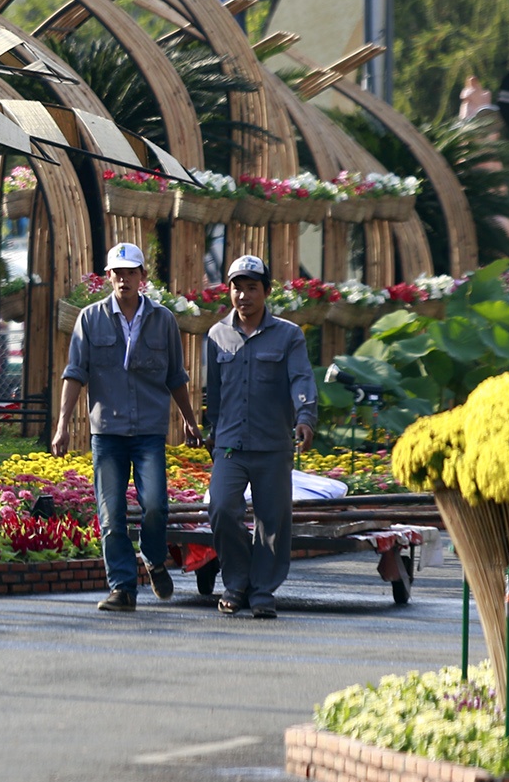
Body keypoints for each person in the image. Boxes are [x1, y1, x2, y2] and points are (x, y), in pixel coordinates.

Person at [55, 242, 201, 612]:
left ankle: (152, 557)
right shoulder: (89, 318)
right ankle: (122, 588)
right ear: (108, 277)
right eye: (117, 273)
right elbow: (74, 374)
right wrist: (61, 425)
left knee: (155, 507)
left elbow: (176, 376)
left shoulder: (164, 319)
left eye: (130, 272)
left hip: (149, 430)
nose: (124, 279)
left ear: (142, 278)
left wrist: (189, 419)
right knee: (111, 514)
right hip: (107, 433)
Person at [201, 255, 317, 619]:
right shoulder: (216, 335)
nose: (243, 295)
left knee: (272, 521)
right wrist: (213, 434)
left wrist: (305, 417)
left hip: (273, 444)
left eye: (252, 287)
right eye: (237, 287)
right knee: (220, 508)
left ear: (266, 292)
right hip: (230, 444)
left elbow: (301, 378)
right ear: (229, 291)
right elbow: (214, 394)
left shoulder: (288, 335)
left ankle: (262, 590)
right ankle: (236, 582)